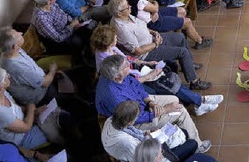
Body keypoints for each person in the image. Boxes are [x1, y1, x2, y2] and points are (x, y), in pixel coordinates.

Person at [91, 25, 222, 115]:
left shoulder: (110, 49)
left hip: (135, 72)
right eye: (115, 37)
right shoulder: (106, 61)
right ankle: (200, 101)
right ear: (108, 42)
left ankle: (197, 102)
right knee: (168, 84)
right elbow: (127, 82)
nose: (117, 38)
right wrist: (150, 74)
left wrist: (146, 62)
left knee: (167, 74)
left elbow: (128, 59)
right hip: (135, 82)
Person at [95, 55, 212, 153]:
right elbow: (135, 118)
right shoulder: (115, 97)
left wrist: (150, 103)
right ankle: (197, 145)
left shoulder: (119, 77)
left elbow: (136, 85)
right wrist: (164, 110)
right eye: (126, 66)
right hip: (133, 120)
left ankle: (179, 136)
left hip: (139, 103)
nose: (129, 65)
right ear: (117, 76)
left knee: (174, 100)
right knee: (181, 112)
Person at [108, 0, 211, 91]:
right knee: (182, 52)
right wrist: (156, 44)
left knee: (180, 38)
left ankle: (189, 66)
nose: (130, 7)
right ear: (119, 13)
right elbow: (137, 51)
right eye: (127, 7)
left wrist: (152, 32)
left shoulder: (126, 15)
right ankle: (195, 82)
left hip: (151, 39)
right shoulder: (122, 29)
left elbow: (141, 26)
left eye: (128, 4)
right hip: (147, 53)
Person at [118, 0, 212, 49]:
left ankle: (183, 34)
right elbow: (154, 6)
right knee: (187, 21)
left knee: (182, 11)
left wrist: (154, 10)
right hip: (153, 23)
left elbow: (149, 6)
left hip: (153, 15)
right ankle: (199, 42)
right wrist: (155, 7)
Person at [101, 101, 198, 162]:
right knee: (193, 143)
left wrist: (147, 134)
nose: (136, 120)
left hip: (141, 148)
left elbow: (132, 132)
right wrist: (156, 147)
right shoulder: (127, 142)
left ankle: (179, 153)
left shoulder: (111, 120)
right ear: (130, 122)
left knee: (183, 132)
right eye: (136, 118)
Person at [0, 69, 62, 149]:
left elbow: (17, 109)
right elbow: (26, 127)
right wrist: (31, 108)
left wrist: (34, 111)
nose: (9, 76)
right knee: (57, 131)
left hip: (26, 120)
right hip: (22, 139)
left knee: (58, 114)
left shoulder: (2, 92)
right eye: (5, 77)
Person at [29, 0, 92, 65]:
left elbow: (64, 15)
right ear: (48, 2)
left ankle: (91, 56)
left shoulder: (53, 4)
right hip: (56, 43)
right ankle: (82, 63)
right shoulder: (41, 19)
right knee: (80, 42)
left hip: (67, 28)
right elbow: (58, 38)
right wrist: (72, 27)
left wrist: (74, 23)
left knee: (88, 32)